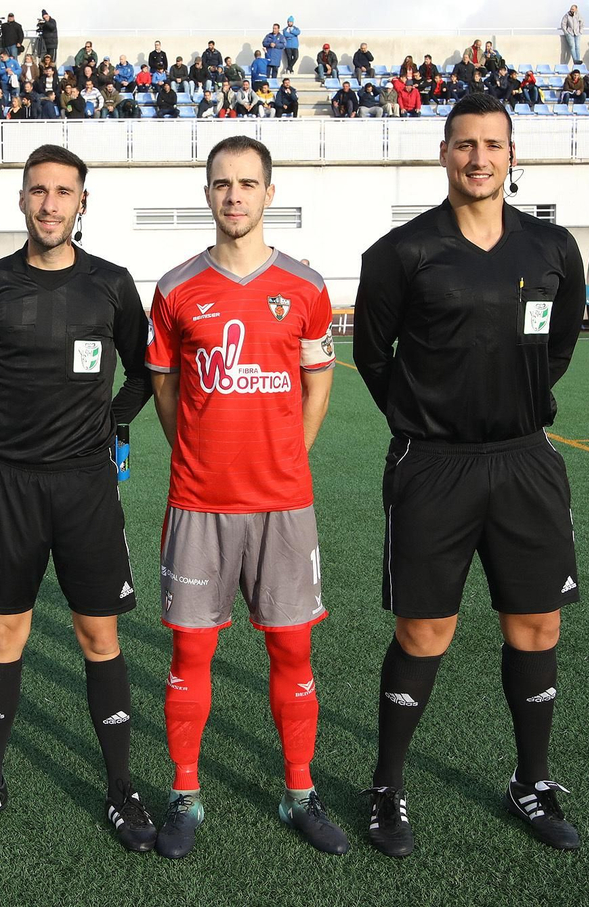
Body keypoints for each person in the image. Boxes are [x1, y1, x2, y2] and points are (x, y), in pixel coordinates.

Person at [352, 92, 586, 859]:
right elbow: (373, 356)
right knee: (425, 631)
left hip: (524, 459)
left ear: (513, 154)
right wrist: (424, 419)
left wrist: (516, 403)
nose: (478, 157)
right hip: (434, 466)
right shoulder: (401, 253)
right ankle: (386, 786)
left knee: (537, 624)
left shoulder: (553, 248)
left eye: (492, 144)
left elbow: (560, 343)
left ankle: (533, 779)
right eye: (464, 144)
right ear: (443, 154)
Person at [0, 144, 156, 852]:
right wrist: (5, 425)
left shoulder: (112, 284)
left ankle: (122, 789)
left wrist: (112, 420)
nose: (50, 204)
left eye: (64, 191)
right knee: (6, 634)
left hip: (87, 485)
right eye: (38, 190)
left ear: (82, 202)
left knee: (100, 635)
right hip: (12, 482)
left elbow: (144, 370)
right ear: (22, 198)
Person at [146, 135, 344, 861]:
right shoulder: (174, 289)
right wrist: (195, 453)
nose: (234, 195)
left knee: (293, 648)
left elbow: (318, 382)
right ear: (208, 194)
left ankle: (300, 791)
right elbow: (166, 388)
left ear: (268, 192)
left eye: (247, 183)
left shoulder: (305, 286)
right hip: (200, 502)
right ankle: (185, 792)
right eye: (222, 184)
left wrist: (290, 452)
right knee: (190, 651)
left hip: (283, 503)